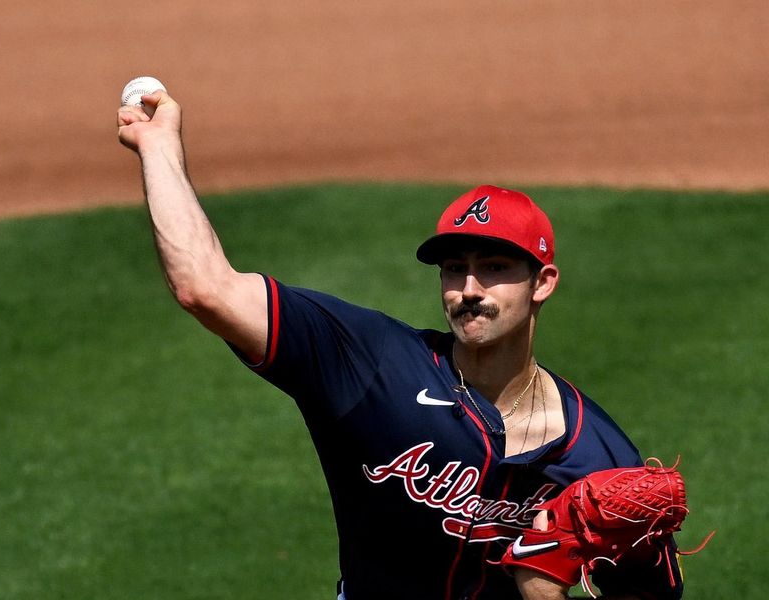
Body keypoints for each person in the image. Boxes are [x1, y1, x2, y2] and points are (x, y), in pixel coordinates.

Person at [117, 90, 683, 600]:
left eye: (494, 268)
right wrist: (158, 146)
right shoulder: (370, 364)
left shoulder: (601, 458)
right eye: (453, 268)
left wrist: (541, 588)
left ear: (544, 282)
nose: (468, 289)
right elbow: (206, 289)